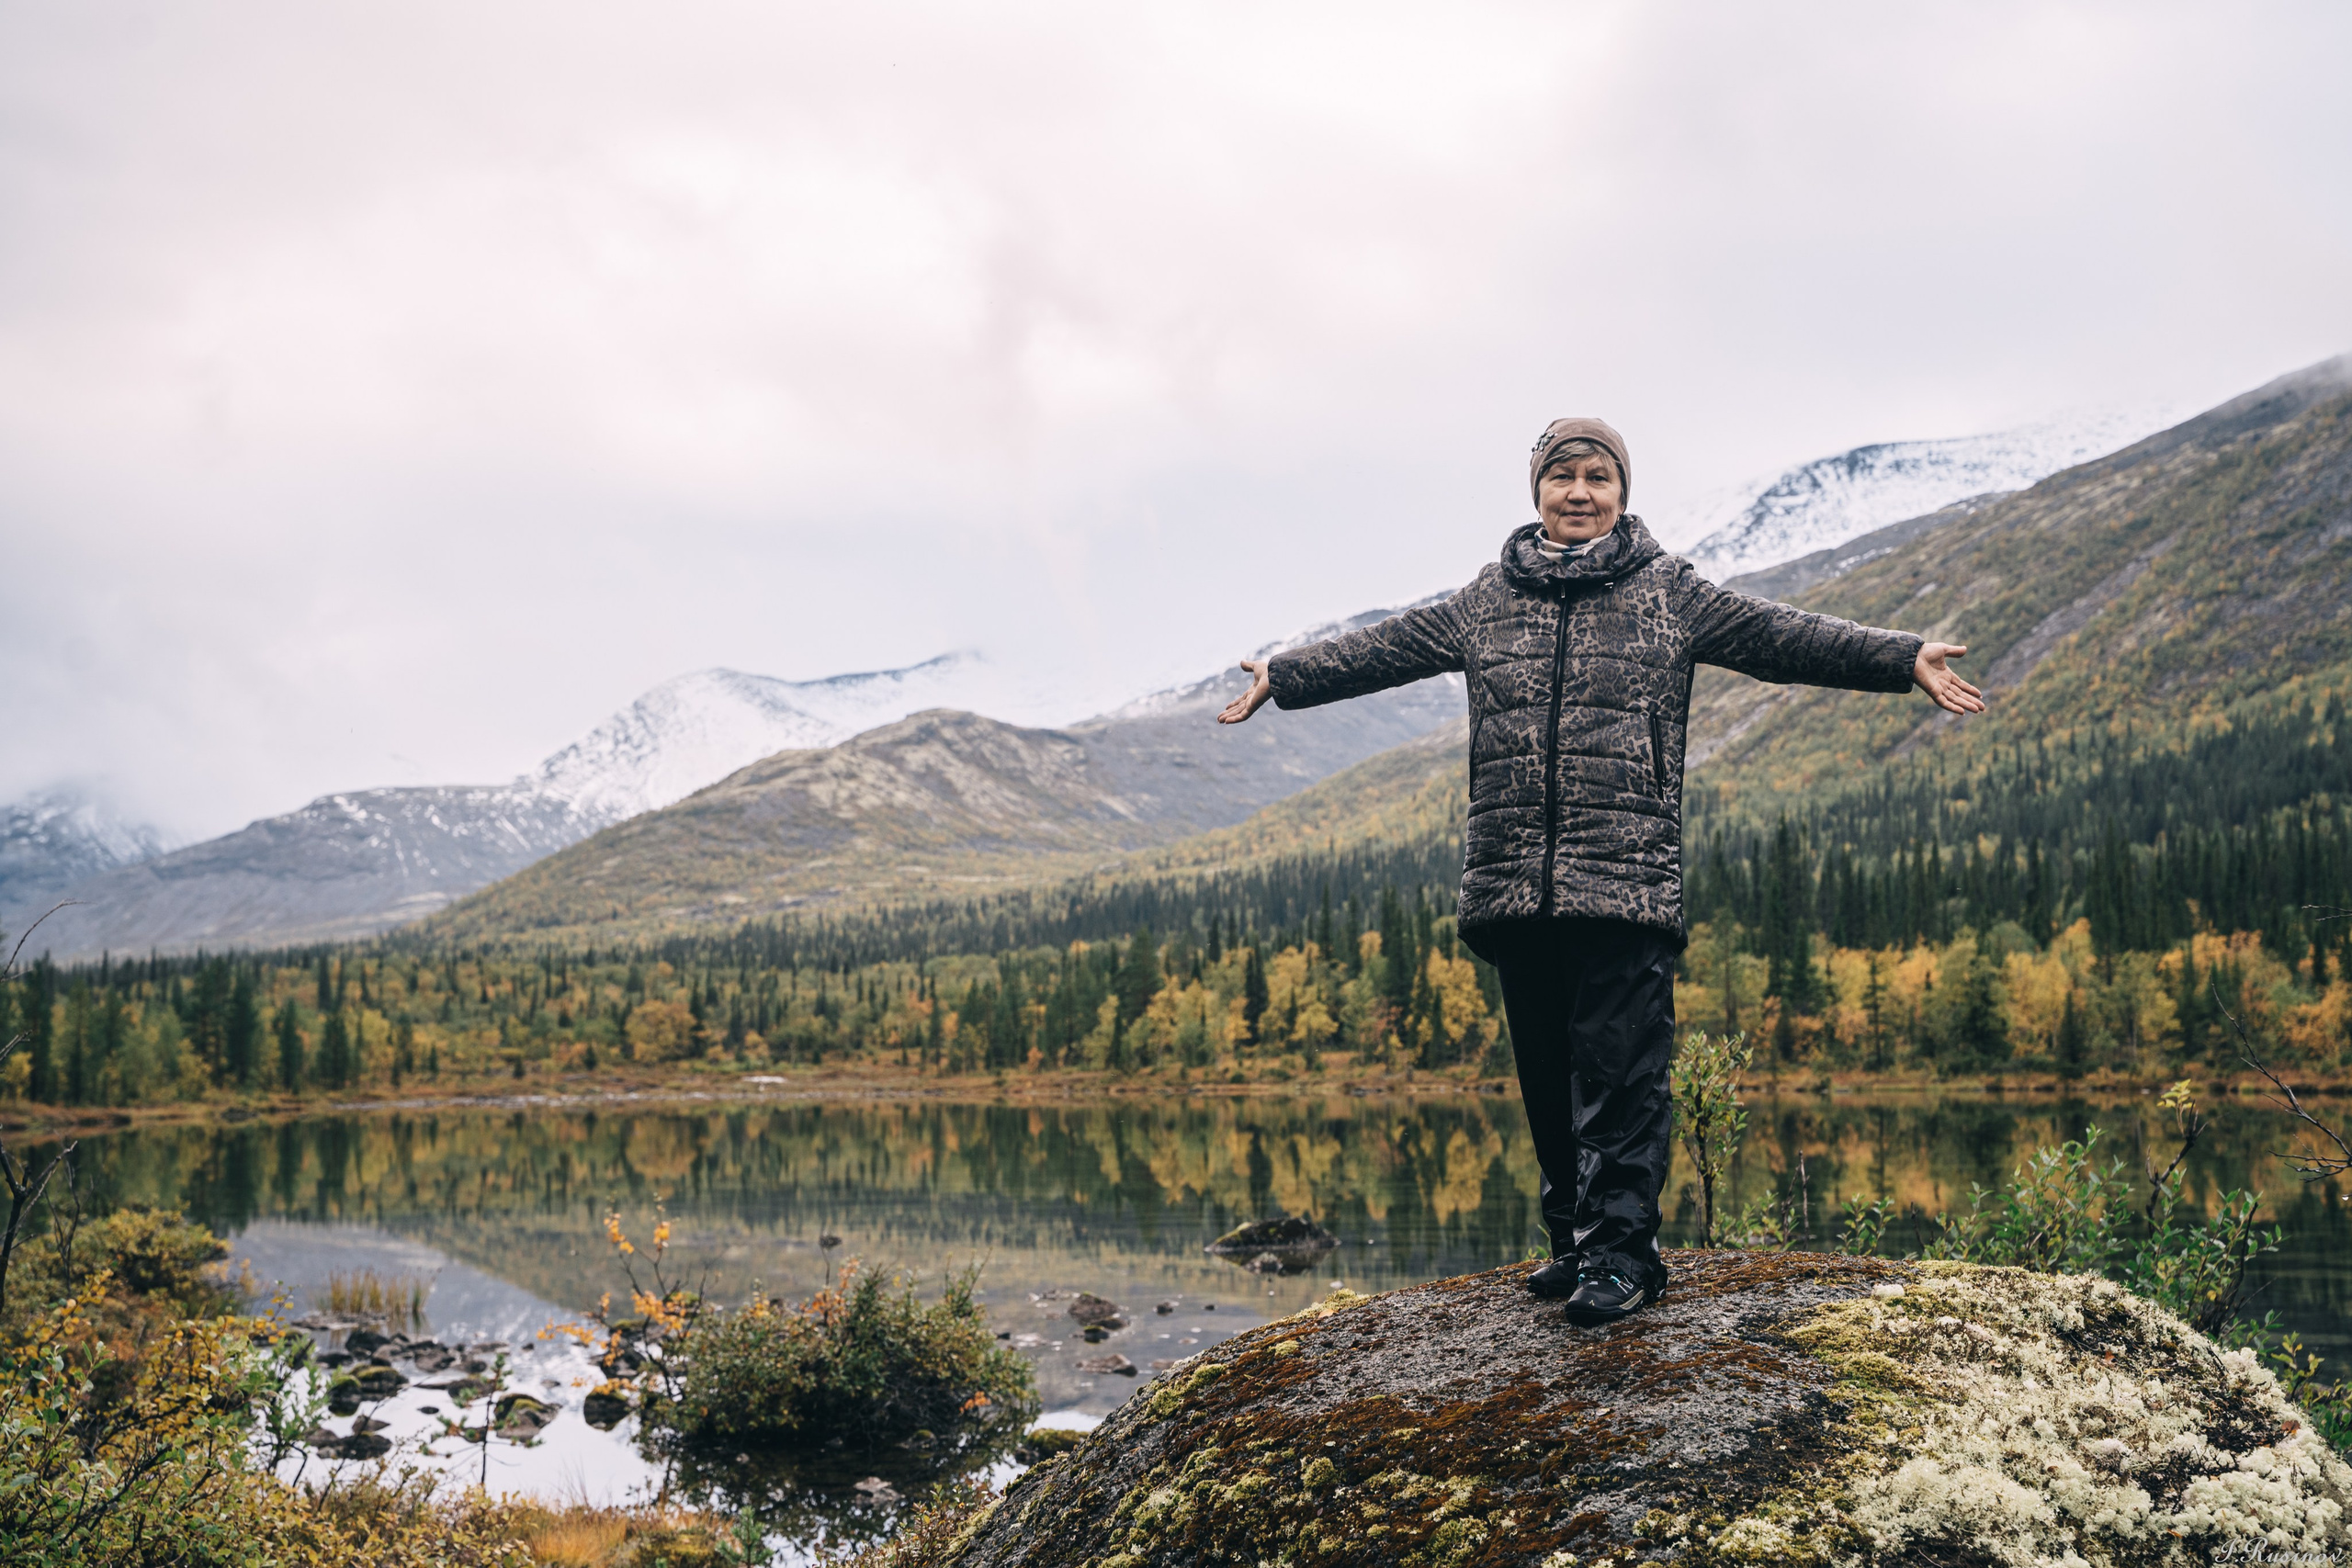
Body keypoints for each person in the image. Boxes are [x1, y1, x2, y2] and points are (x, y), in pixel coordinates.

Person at [1216, 417, 1983, 1325]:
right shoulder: (1485, 600)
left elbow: (1781, 636)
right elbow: (1385, 648)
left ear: (1621, 491)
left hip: (1623, 881)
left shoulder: (1670, 592)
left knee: (1621, 1079)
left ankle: (1624, 1256)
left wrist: (1899, 656)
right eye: (1562, 476)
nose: (1579, 492)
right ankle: (1574, 1243)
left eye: (1597, 477)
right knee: (1548, 1081)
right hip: (1511, 882)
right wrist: (1286, 675)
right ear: (1536, 490)